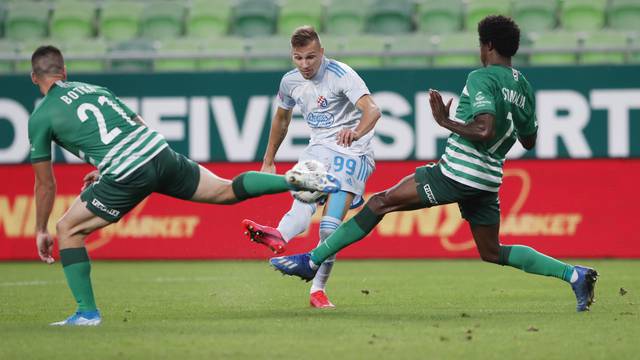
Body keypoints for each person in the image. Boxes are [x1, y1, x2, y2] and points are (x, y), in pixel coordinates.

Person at [269, 16, 598, 312]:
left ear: (488, 46)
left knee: (380, 203)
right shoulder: (522, 86)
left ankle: (311, 261)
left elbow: (484, 129)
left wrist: (446, 121)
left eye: (481, 45)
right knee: (492, 251)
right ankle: (575, 274)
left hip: (459, 170)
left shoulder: (482, 78)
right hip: (488, 178)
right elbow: (529, 140)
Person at [28, 45, 341, 326]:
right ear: (64, 71)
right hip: (158, 152)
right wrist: (113, 165)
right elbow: (136, 124)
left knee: (67, 229)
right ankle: (292, 179)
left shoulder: (42, 115)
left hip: (126, 169)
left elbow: (45, 183)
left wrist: (41, 228)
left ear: (34, 77)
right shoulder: (94, 89)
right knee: (227, 190)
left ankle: (86, 313)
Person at [241, 26, 381, 308]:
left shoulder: (342, 74)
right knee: (302, 202)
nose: (305, 64)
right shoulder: (290, 82)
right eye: (298, 58)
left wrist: (355, 132)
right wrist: (268, 160)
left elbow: (373, 110)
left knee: (329, 229)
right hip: (317, 150)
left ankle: (317, 290)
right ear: (292, 57)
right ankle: (279, 236)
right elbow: (281, 120)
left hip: (351, 152)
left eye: (310, 57)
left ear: (322, 53)